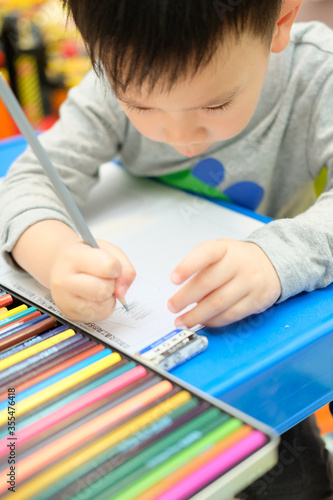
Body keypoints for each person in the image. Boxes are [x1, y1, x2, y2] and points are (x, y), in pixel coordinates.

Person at [0, 1, 332, 498]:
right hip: (136, 373)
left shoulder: (317, 76)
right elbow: (27, 183)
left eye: (215, 104)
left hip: (266, 358)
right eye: (141, 105)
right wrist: (56, 257)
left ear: (280, 23)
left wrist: (274, 258)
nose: (179, 136)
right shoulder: (110, 78)